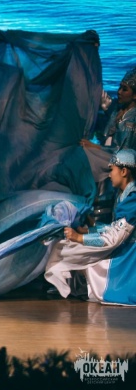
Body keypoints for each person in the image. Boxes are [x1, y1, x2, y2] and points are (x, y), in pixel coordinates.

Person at [44, 148, 136, 305]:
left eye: (111, 169)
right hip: (123, 246)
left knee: (83, 260)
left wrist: (80, 238)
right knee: (66, 247)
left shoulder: (132, 199)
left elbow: (114, 238)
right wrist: (87, 230)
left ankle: (71, 287)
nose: (109, 175)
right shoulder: (123, 195)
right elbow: (114, 228)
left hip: (128, 255)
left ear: (124, 171)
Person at [81, 67, 136, 183]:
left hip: (121, 163)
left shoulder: (132, 121)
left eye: (124, 89)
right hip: (106, 152)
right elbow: (101, 96)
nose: (119, 92)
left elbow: (123, 153)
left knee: (84, 154)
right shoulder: (117, 108)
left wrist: (95, 147)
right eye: (120, 87)